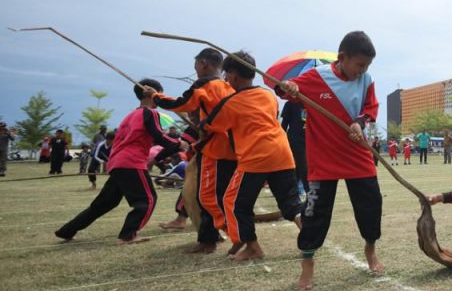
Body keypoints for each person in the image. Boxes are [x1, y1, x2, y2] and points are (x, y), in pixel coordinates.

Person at [277, 31, 384, 289]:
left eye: (367, 65)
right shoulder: (317, 77)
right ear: (342, 57)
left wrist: (359, 123)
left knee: (371, 205)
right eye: (359, 64)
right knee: (315, 212)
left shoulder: (366, 80)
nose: (363, 70)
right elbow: (284, 90)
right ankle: (308, 263)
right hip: (322, 158)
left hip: (357, 154)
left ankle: (370, 249)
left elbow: (370, 109)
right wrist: (289, 87)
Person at [203, 52, 304, 261]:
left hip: (256, 157)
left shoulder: (231, 102)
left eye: (226, 75)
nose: (226, 79)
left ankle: (252, 247)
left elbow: (210, 125)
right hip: (282, 152)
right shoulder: (269, 96)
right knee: (290, 202)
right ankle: (309, 235)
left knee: (234, 202)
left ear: (233, 75)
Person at [56, 80, 179, 244]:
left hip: (117, 162)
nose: (160, 98)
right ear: (150, 93)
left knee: (104, 203)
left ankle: (67, 231)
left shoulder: (130, 115)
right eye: (159, 94)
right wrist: (179, 144)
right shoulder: (150, 113)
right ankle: (128, 235)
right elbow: (160, 136)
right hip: (132, 162)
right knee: (147, 200)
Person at [148, 48, 237, 252]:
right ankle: (215, 236)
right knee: (213, 195)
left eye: (196, 65)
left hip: (214, 150)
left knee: (205, 196)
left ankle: (209, 240)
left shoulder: (205, 84)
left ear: (203, 63)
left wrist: (155, 96)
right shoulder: (229, 87)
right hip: (231, 150)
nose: (195, 70)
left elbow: (181, 103)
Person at [280, 100, 308, 198]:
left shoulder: (313, 102)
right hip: (296, 140)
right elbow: (284, 125)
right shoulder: (290, 103)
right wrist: (281, 141)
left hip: (311, 140)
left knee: (299, 168)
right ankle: (309, 192)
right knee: (303, 167)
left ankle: (294, 192)